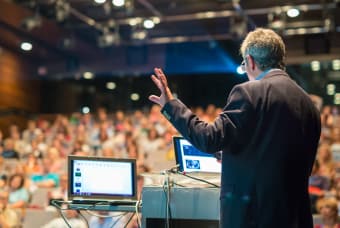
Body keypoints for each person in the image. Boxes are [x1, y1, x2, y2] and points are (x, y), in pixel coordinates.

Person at [149, 28, 321, 228]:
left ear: (250, 61)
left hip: (253, 218)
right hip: (295, 218)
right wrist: (233, 154)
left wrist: (170, 105)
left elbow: (208, 138)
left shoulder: (250, 91)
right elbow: (282, 158)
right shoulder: (309, 104)